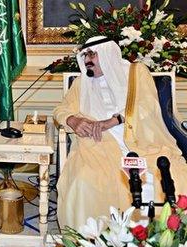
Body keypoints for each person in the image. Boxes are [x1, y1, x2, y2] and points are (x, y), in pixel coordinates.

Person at [54, 36, 187, 229]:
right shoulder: (81, 83)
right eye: (85, 56)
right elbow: (61, 109)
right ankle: (95, 244)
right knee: (83, 182)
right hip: (98, 146)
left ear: (107, 54)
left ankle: (165, 239)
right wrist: (73, 120)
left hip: (143, 140)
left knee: (175, 177)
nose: (87, 60)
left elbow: (147, 104)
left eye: (93, 54)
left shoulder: (136, 72)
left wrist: (115, 120)